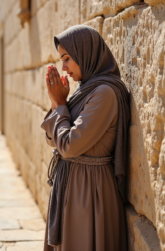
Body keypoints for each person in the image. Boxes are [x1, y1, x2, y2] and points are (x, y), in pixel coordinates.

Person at [41, 25, 130, 251]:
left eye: (67, 58)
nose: (63, 67)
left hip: (90, 193)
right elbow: (53, 140)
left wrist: (60, 105)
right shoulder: (85, 90)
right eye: (61, 60)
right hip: (74, 188)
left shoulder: (104, 94)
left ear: (84, 53)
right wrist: (57, 104)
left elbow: (69, 146)